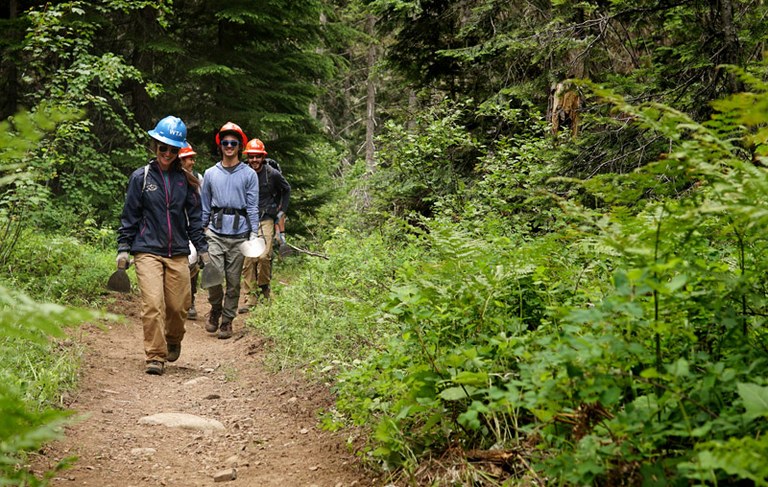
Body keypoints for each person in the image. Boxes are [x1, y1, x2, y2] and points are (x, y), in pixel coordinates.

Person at [116, 116, 208, 376]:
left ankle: (173, 339)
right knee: (153, 304)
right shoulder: (141, 177)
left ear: (179, 151)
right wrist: (124, 246)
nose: (167, 153)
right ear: (155, 145)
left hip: (178, 250)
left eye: (172, 149)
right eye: (163, 147)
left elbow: (195, 218)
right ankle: (155, 356)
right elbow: (130, 215)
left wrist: (202, 248)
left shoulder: (186, 181)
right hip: (146, 249)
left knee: (179, 307)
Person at [200, 122, 259, 339]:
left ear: (239, 146)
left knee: (234, 281)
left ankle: (227, 320)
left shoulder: (249, 175)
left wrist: (254, 233)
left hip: (240, 234)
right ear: (220, 144)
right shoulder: (210, 173)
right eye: (225, 142)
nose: (229, 146)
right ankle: (215, 308)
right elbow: (205, 205)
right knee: (213, 276)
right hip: (215, 232)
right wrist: (201, 230)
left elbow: (253, 206)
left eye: (233, 142)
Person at [239, 138, 290, 313]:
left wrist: (282, 210)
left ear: (263, 157)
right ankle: (250, 298)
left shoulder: (271, 173)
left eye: (257, 156)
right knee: (248, 260)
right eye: (251, 156)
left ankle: (263, 286)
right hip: (246, 220)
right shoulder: (243, 172)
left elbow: (286, 189)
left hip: (266, 218)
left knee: (263, 256)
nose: (254, 160)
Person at [179, 144, 204, 321]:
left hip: (192, 227)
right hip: (172, 228)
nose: (192, 162)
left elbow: (200, 204)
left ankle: (191, 299)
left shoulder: (197, 178)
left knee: (193, 262)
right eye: (189, 158)